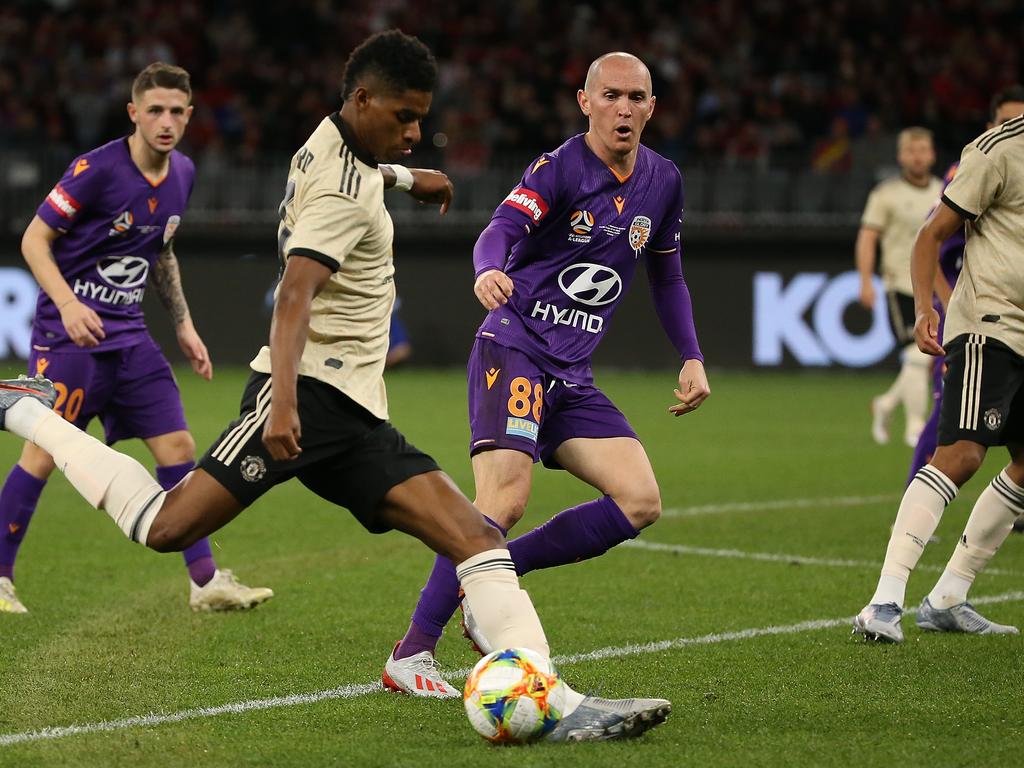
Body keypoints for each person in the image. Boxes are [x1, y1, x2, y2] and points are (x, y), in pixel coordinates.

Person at [0, 31, 670, 742]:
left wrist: (414, 179)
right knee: (167, 526)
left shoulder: (328, 141)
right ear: (364, 100)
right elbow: (294, 294)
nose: (415, 132)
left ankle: (553, 702)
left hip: (353, 416)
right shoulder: (343, 196)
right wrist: (282, 401)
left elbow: (359, 171)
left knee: (476, 536)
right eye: (405, 119)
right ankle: (28, 411)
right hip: (306, 400)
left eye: (420, 119)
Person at [382, 51, 709, 696]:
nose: (624, 108)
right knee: (502, 499)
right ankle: (412, 653)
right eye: (611, 95)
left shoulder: (664, 181)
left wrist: (691, 354)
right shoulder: (559, 169)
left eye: (637, 97)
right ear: (585, 101)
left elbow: (666, 274)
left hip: (573, 372)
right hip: (515, 347)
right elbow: (500, 227)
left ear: (652, 107)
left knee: (640, 502)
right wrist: (487, 268)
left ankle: (496, 576)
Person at [0, 62, 272, 615]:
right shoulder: (95, 170)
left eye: (176, 111)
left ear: (190, 115)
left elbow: (161, 250)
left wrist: (183, 323)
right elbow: (33, 239)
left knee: (179, 449)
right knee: (43, 455)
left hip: (130, 338)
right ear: (134, 113)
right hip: (69, 338)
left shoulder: (184, 174)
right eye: (155, 110)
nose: (166, 121)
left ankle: (205, 582)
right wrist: (69, 304)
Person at [853, 98, 1024, 643]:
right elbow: (932, 234)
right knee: (961, 453)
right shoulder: (998, 149)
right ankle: (883, 601)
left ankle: (949, 594)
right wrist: (928, 308)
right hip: (989, 323)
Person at [905, 87, 1024, 489]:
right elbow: (932, 238)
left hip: (1009, 316)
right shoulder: (975, 166)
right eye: (1006, 121)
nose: (1014, 129)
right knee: (952, 424)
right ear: (991, 125)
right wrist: (941, 299)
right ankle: (915, 494)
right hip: (978, 316)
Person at [856, 129, 942, 447]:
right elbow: (868, 238)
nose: (917, 156)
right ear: (901, 155)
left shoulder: (945, 191)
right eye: (911, 150)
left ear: (932, 154)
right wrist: (865, 280)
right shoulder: (886, 194)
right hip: (901, 286)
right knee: (917, 355)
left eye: (923, 149)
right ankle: (916, 427)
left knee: (927, 357)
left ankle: (887, 403)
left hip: (938, 288)